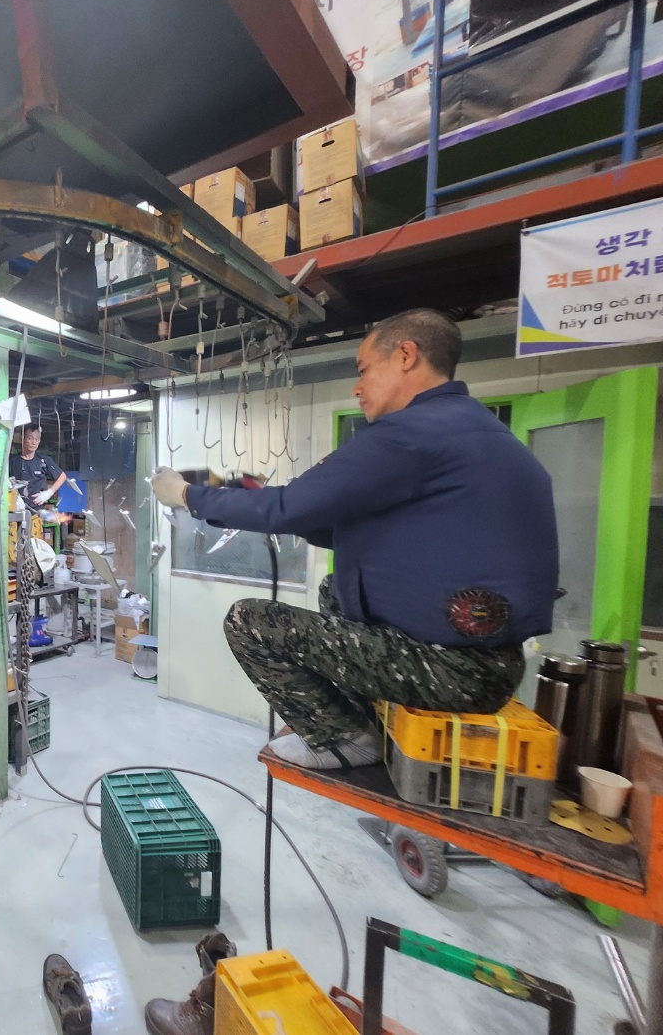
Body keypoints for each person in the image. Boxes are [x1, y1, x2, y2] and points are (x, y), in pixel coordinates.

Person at [149, 309, 558, 772]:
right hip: (493, 664)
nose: (357, 388)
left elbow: (290, 507)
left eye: (364, 370)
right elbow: (339, 523)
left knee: (249, 621)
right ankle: (359, 714)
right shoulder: (473, 429)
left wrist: (186, 495)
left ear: (406, 355)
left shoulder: (410, 433)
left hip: (452, 669)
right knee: (335, 590)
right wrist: (258, 500)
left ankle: (343, 738)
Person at [10, 422, 68, 506]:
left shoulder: (43, 460)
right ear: (22, 439)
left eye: (37, 439)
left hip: (37, 510)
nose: (34, 442)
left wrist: (49, 493)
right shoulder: (13, 460)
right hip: (17, 509)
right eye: (30, 438)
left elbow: (62, 476)